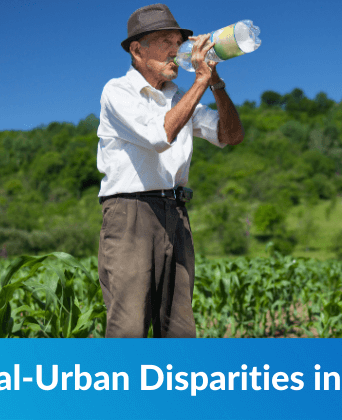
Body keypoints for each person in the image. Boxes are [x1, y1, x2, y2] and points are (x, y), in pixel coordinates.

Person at [96, 4, 244, 338]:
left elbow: (230, 135)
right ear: (137, 50)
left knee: (178, 326)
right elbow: (159, 136)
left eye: (178, 42)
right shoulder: (117, 91)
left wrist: (215, 83)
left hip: (176, 213)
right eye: (165, 41)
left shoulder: (179, 97)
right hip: (131, 212)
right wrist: (199, 83)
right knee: (129, 325)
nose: (175, 50)